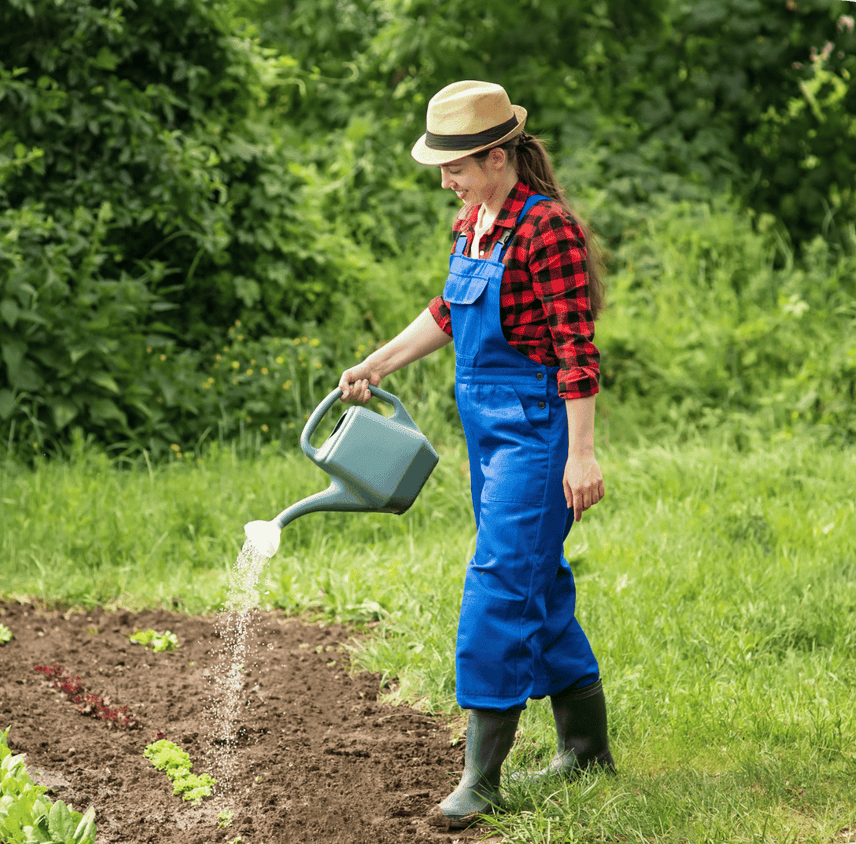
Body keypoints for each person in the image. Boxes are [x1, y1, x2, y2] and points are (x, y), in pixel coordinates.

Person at [337, 80, 615, 830]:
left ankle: (480, 779)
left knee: (497, 585)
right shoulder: (475, 222)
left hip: (537, 428)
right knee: (537, 579)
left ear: (497, 156)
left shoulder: (545, 227)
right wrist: (379, 363)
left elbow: (575, 348)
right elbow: (447, 311)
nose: (444, 179)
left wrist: (581, 456)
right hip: (489, 436)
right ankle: (586, 750)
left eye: (455, 165)